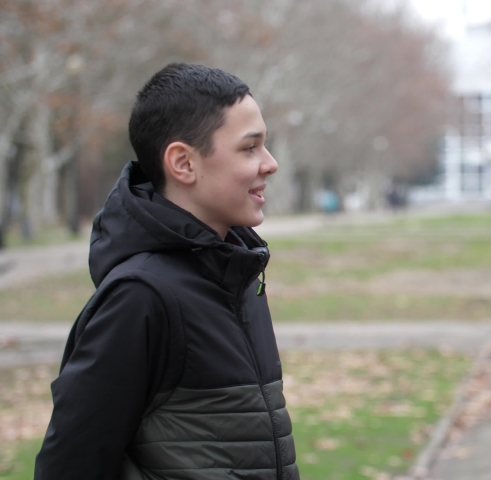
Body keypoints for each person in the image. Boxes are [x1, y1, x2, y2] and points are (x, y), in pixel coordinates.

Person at [34, 63, 299, 479]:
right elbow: (70, 464)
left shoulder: (240, 274)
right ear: (183, 163)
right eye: (250, 148)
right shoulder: (140, 296)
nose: (270, 164)